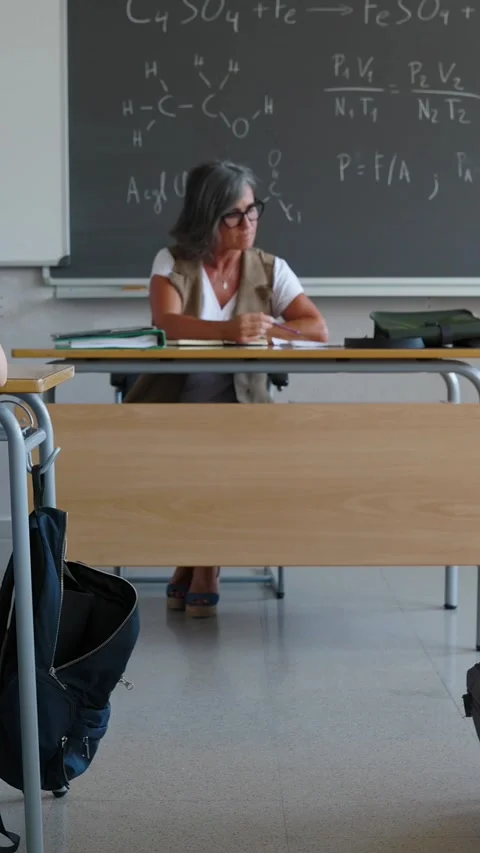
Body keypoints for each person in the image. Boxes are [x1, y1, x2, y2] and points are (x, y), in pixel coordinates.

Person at [125, 160, 328, 618]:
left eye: (254, 210)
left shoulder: (270, 268)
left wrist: (270, 330)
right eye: (235, 215)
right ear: (207, 215)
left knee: (220, 459)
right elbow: (167, 321)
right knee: (190, 460)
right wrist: (229, 331)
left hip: (243, 409)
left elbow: (315, 328)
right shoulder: (172, 261)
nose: (248, 223)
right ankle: (197, 560)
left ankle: (201, 566)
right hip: (172, 405)